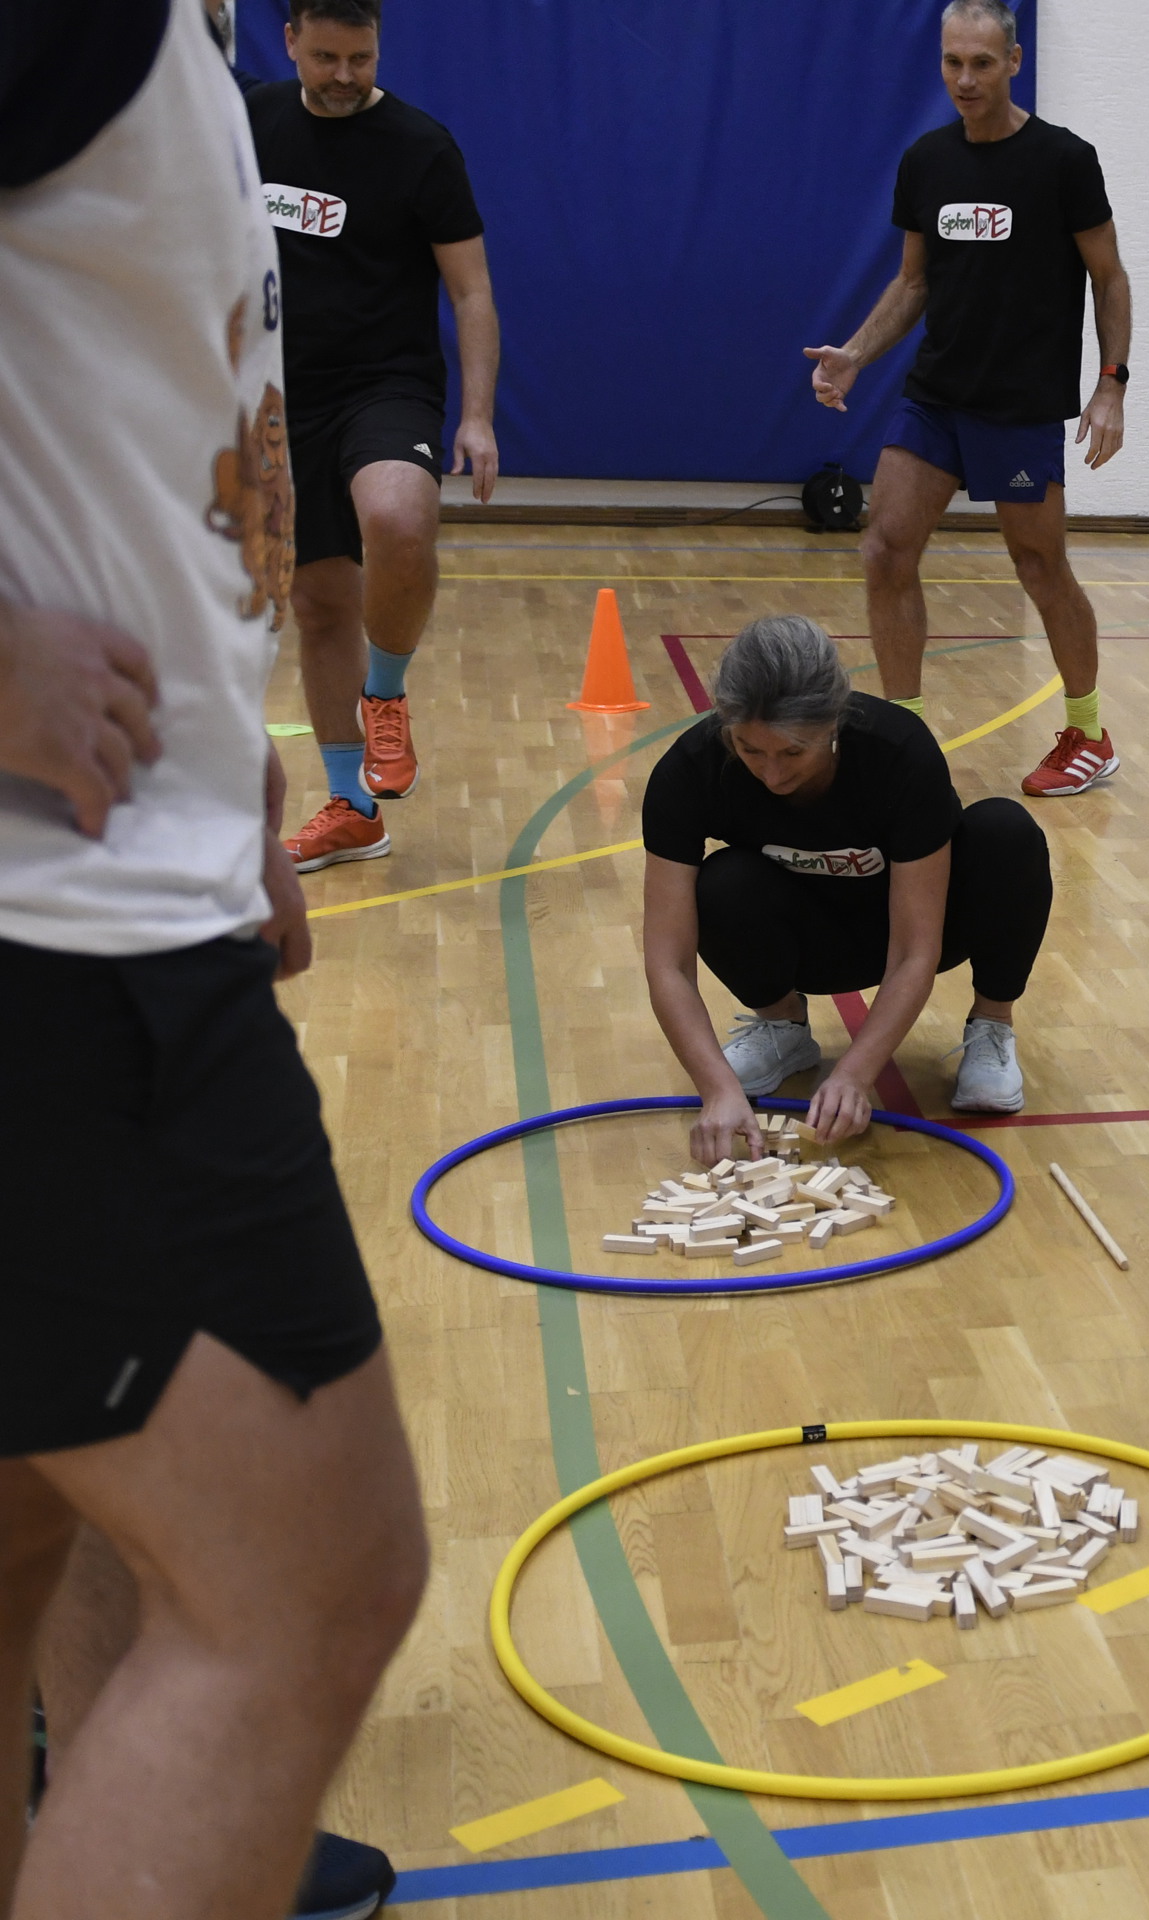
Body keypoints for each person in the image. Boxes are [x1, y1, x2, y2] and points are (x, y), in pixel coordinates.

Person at [0, 3, 427, 1915]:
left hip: (101, 885)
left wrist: (214, 729)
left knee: (30, 1548)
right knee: (309, 1589)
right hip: (62, 942)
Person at [803, 0, 1135, 799]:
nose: (966, 79)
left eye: (982, 63)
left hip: (1019, 406)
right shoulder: (926, 162)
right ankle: (905, 736)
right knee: (885, 549)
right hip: (936, 398)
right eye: (953, 62)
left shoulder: (1063, 161)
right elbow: (913, 283)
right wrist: (855, 353)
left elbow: (1109, 277)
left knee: (1040, 567)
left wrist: (1111, 385)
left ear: (1012, 62)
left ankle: (1089, 734)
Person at [253, 0, 500, 873]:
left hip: (385, 384)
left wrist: (476, 414)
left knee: (397, 519)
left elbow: (471, 291)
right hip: (282, 392)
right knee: (320, 606)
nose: (345, 76)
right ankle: (351, 809)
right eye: (326, 57)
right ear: (291, 41)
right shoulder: (251, 120)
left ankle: (385, 696)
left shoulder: (420, 148)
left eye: (361, 58)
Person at [642, 616, 1053, 1139]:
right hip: (808, 944)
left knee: (1006, 832)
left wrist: (855, 1076)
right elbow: (669, 962)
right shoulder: (687, 770)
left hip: (908, 935)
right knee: (721, 883)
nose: (772, 774)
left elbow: (914, 951)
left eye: (793, 751)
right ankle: (783, 1026)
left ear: (834, 722)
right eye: (749, 749)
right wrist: (716, 1088)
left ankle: (992, 1024)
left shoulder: (900, 753)